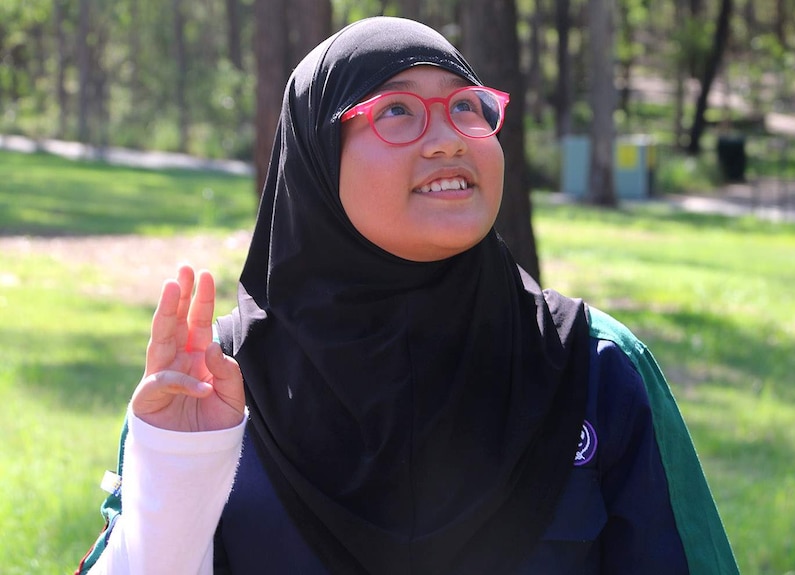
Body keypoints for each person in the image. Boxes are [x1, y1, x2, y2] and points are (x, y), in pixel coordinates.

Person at [76, 16, 738, 575]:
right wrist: (179, 470)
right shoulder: (214, 383)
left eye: (466, 106)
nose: (449, 136)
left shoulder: (595, 368)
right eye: (395, 109)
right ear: (315, 157)